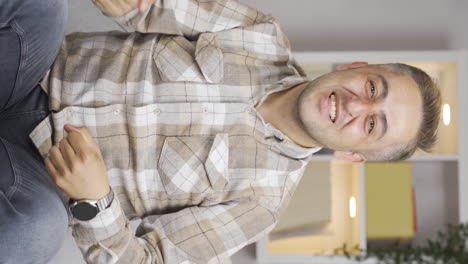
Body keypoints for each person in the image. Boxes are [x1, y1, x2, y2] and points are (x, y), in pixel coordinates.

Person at [0, 0, 441, 263]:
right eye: (371, 88)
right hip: (32, 69)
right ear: (356, 68)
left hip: (37, 179)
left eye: (371, 124)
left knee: (37, 232)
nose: (355, 105)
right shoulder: (259, 32)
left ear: (353, 156)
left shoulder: (261, 205)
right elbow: (152, 7)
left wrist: (95, 201)